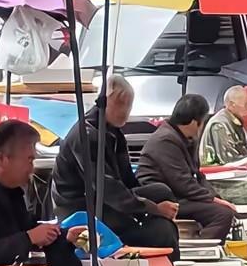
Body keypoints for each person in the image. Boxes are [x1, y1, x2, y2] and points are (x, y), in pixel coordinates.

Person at [53, 74, 180, 252]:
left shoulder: (114, 132)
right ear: (103, 102)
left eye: (129, 105)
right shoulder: (87, 135)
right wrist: (154, 209)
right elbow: (107, 188)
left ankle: (152, 227)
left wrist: (147, 205)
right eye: (120, 104)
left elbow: (127, 180)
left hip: (107, 198)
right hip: (81, 204)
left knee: (161, 191)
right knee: (161, 230)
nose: (125, 111)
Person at [0, 118, 84, 266]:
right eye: (29, 160)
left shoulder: (7, 186)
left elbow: (28, 227)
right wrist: (28, 238)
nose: (32, 168)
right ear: (3, 159)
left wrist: (64, 235)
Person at [135, 92, 238, 241]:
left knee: (222, 207)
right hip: (163, 198)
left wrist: (215, 196)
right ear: (195, 122)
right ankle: (203, 250)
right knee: (222, 214)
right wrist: (215, 201)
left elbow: (197, 175)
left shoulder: (187, 138)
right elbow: (183, 182)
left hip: (179, 193)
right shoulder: (166, 140)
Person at [199, 85, 247, 166]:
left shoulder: (237, 122)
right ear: (232, 105)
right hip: (219, 174)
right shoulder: (220, 125)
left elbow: (245, 151)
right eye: (246, 104)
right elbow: (229, 160)